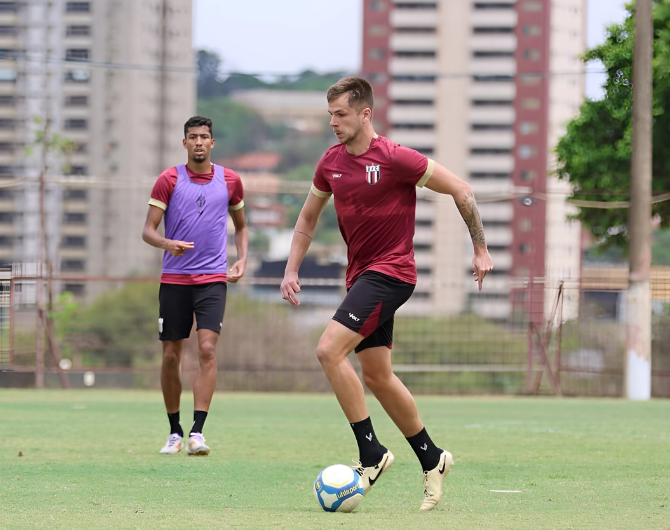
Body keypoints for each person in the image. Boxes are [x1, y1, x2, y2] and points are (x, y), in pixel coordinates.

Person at [280, 77, 492, 510]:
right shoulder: (330, 163)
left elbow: (461, 190)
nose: (334, 123)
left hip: (392, 273)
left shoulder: (395, 158)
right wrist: (291, 268)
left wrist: (482, 249)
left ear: (365, 114)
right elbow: (306, 219)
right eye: (330, 115)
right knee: (377, 375)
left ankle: (371, 453)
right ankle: (433, 458)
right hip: (361, 278)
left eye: (341, 115)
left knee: (328, 351)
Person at [142, 116, 248, 456]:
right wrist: (166, 244)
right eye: (193, 137)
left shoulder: (230, 180)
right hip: (174, 281)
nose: (199, 142)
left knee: (207, 350)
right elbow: (148, 230)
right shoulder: (169, 179)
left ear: (212, 143)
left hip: (212, 280)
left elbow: (242, 227)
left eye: (204, 137)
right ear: (184, 143)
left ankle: (197, 432)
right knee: (171, 354)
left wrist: (242, 258)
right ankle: (174, 431)